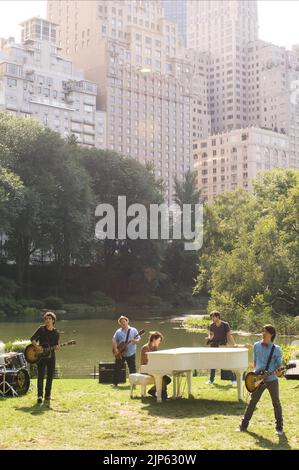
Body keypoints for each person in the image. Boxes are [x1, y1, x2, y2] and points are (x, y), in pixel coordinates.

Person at [237, 324, 284, 435]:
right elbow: (255, 362)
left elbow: (279, 367)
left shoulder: (276, 349)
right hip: (257, 379)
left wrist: (279, 372)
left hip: (272, 379)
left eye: (266, 332)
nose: (263, 333)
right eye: (262, 331)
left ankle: (279, 427)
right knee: (252, 402)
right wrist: (255, 376)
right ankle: (243, 425)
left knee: (276, 403)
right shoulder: (256, 345)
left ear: (271, 334)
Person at [30, 311, 60, 406]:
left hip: (51, 357)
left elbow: (56, 346)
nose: (47, 320)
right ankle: (39, 396)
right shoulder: (41, 329)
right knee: (41, 376)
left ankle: (47, 395)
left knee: (50, 376)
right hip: (41, 357)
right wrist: (37, 347)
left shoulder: (56, 333)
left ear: (53, 320)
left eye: (49, 319)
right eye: (46, 319)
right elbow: (32, 339)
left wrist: (57, 348)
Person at [206, 310, 237, 385]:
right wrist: (209, 338)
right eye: (212, 317)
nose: (212, 319)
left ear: (217, 316)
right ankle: (211, 380)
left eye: (213, 317)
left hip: (223, 345)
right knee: (212, 363)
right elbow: (210, 335)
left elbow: (229, 335)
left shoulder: (225, 324)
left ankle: (233, 380)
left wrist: (234, 344)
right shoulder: (211, 325)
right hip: (213, 345)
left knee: (226, 362)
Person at [140, 331, 171, 400]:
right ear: (154, 339)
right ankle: (163, 396)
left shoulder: (155, 348)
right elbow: (145, 361)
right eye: (159, 340)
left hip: (153, 368)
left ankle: (153, 390)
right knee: (163, 378)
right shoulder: (145, 348)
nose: (160, 342)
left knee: (167, 378)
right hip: (145, 369)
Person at [112, 315, 140, 386]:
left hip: (131, 353)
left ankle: (133, 383)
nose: (123, 323)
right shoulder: (118, 332)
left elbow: (138, 339)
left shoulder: (133, 330)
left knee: (132, 368)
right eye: (121, 322)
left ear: (127, 321)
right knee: (117, 368)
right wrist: (115, 349)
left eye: (124, 321)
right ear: (120, 324)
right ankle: (115, 383)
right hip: (121, 353)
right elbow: (114, 340)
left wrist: (135, 341)